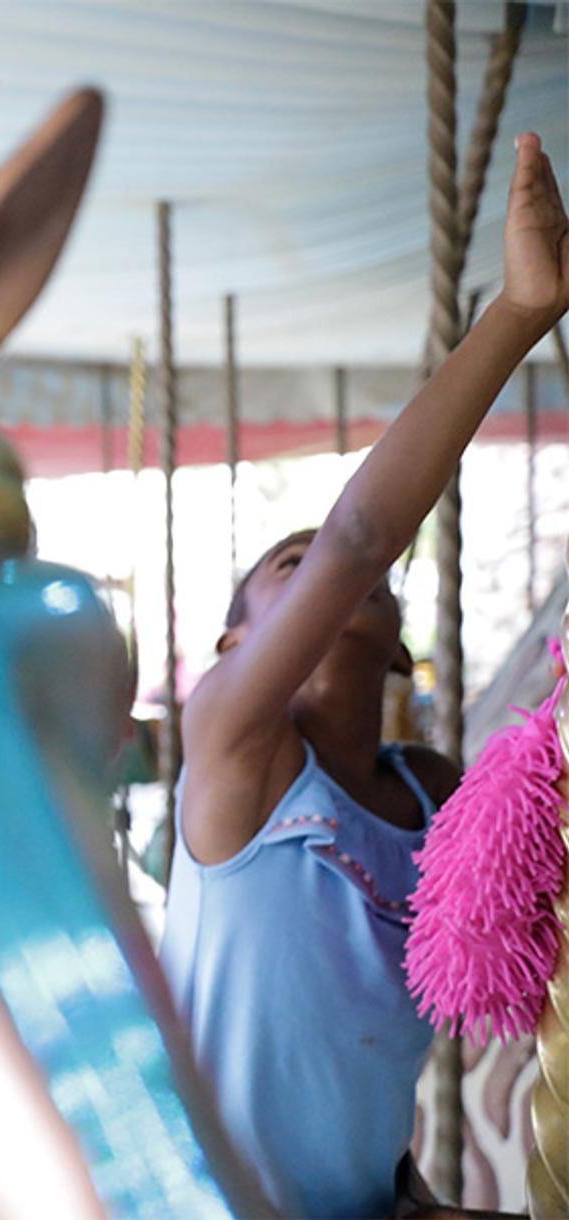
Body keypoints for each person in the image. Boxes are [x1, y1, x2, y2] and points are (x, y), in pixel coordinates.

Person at [158, 132, 568, 1219]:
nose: (327, 584)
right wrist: (519, 315)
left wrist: (414, 1193)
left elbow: (361, 1063)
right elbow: (356, 536)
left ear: (395, 640)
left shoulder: (435, 793)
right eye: (285, 579)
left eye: (344, 585)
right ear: (239, 650)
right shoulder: (237, 760)